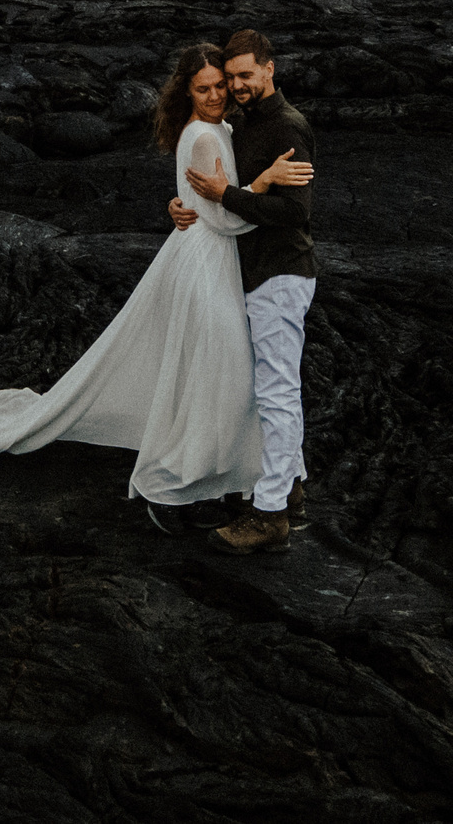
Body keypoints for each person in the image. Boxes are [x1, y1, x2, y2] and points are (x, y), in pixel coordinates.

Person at [0, 41, 313, 518]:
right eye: (206, 88)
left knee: (218, 367)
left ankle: (246, 474)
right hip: (207, 258)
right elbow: (222, 219)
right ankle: (212, 471)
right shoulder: (203, 135)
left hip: (210, 256)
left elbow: (207, 201)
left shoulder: (224, 127)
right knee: (215, 367)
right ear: (188, 91)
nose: (219, 94)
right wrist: (256, 185)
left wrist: (197, 200)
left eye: (222, 84)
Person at [170, 28, 317, 555]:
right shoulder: (241, 124)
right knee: (270, 390)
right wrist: (186, 202)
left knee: (277, 394)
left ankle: (270, 513)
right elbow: (210, 188)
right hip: (254, 272)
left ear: (270, 69)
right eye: (230, 79)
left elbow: (294, 212)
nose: (235, 87)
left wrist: (228, 195)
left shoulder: (287, 127)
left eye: (244, 76)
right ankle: (290, 489)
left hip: (281, 272)